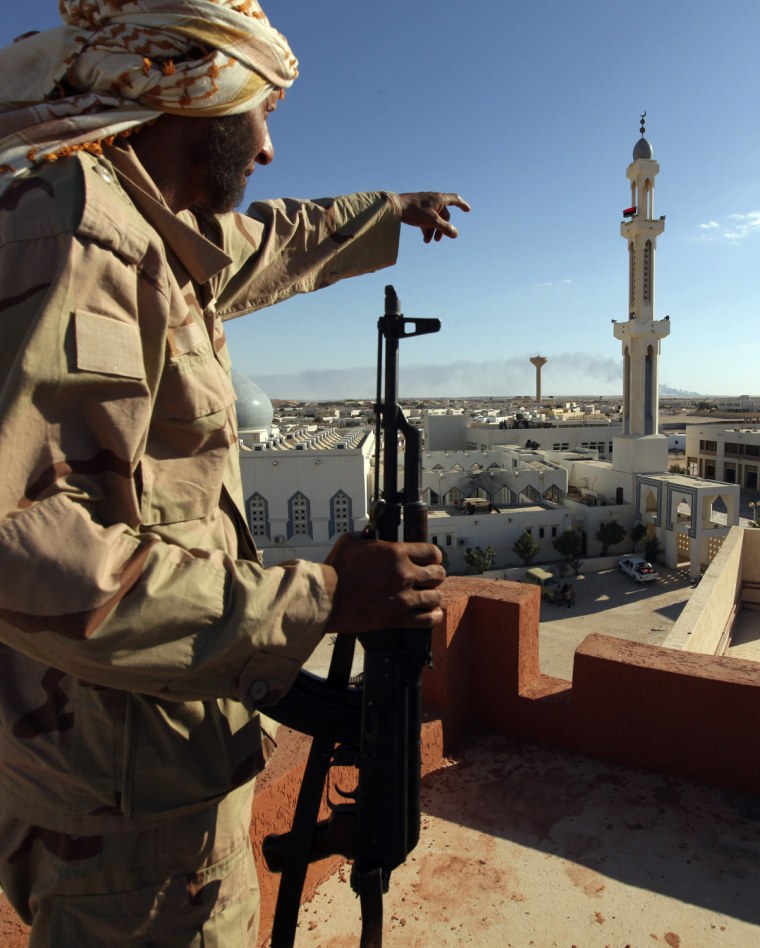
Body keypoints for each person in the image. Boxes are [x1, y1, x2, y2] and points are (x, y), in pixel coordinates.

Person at [0, 2, 470, 944]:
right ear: (194, 98)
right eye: (258, 111)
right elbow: (22, 542)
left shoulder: (154, 236)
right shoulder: (74, 232)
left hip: (137, 768)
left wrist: (386, 211)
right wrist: (317, 599)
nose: (265, 147)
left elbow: (274, 242)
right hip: (122, 818)